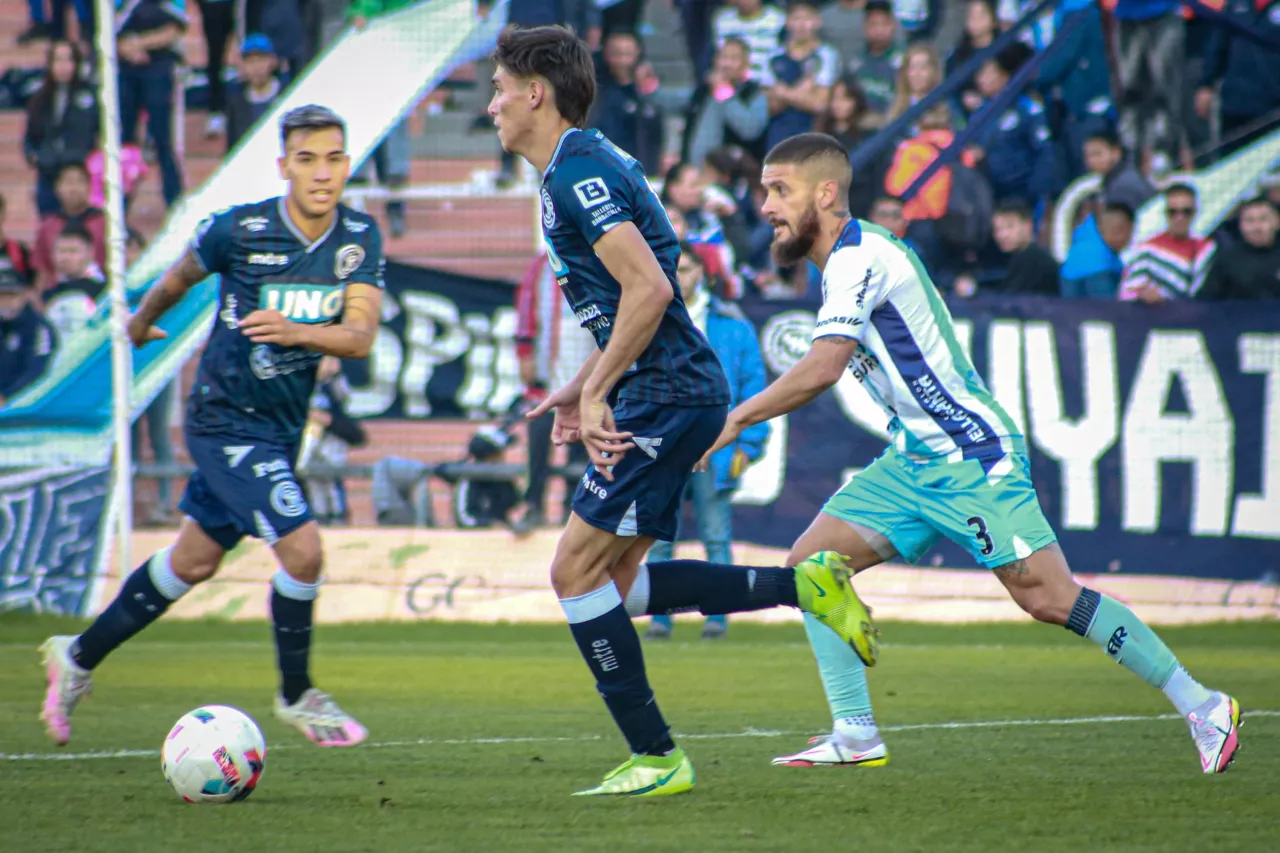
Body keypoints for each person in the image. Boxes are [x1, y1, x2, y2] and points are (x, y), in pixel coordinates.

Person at [694, 131, 1240, 775]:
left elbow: (822, 368)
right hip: (913, 459)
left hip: (971, 454)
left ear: (827, 192)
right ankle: (856, 732)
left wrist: (733, 421)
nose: (765, 207)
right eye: (763, 192)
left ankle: (1203, 704)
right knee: (813, 566)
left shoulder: (857, 256)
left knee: (1048, 599)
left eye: (778, 190)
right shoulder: (840, 262)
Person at [487, 26, 870, 797]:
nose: (492, 104)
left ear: (536, 91)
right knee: (618, 585)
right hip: (672, 389)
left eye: (499, 88)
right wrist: (586, 381)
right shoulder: (585, 162)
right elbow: (640, 298)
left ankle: (658, 756)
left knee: (571, 571)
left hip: (665, 394)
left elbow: (653, 291)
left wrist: (600, 391)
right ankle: (809, 587)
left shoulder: (576, 174)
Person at [38, 105, 385, 749]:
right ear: (283, 166)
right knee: (304, 551)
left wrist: (296, 332)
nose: (321, 172)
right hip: (223, 420)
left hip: (278, 429)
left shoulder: (359, 237)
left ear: (346, 164)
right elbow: (178, 278)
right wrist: (141, 323)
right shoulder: (241, 229)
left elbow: (360, 336)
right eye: (306, 159)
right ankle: (296, 693)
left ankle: (78, 656)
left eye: (334, 158)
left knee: (192, 563)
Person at [643, 243, 768, 641]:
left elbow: (754, 387)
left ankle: (719, 616)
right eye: (675, 269)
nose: (682, 276)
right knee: (658, 537)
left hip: (716, 445)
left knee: (716, 535)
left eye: (689, 269)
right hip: (664, 444)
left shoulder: (732, 325)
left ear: (704, 274)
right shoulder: (650, 318)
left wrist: (749, 446)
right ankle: (659, 617)